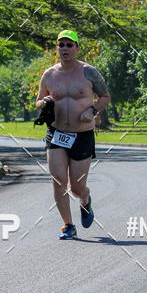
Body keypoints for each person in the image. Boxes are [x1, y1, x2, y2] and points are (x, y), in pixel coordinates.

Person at [36, 30, 110, 239]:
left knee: (76, 188)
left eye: (69, 45)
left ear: (77, 48)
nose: (65, 48)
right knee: (58, 180)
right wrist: (45, 102)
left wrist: (92, 110)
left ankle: (85, 200)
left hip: (82, 135)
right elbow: (38, 101)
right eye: (61, 45)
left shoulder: (89, 73)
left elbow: (105, 96)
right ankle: (68, 225)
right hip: (56, 133)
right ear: (57, 48)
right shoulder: (49, 74)